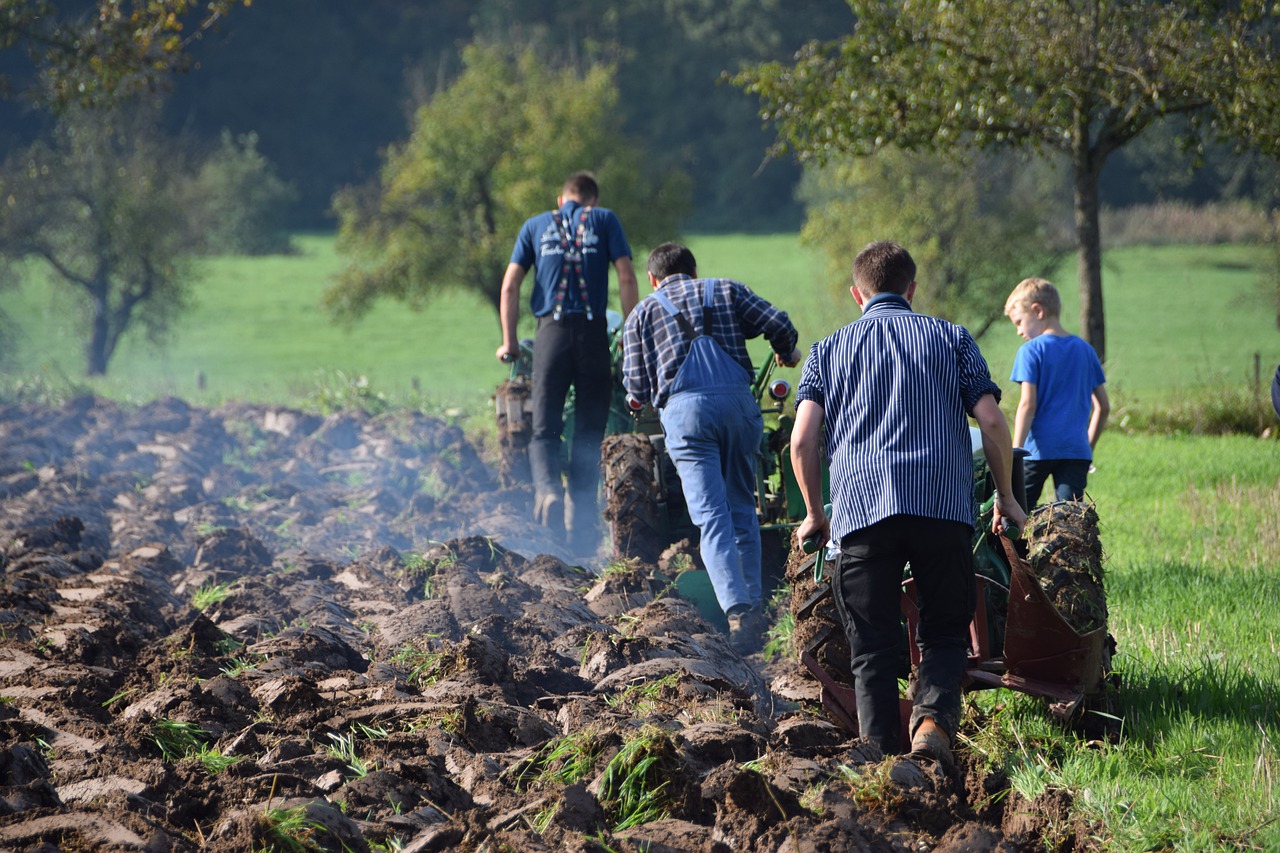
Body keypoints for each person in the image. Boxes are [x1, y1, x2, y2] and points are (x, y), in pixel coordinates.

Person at [790, 240, 1026, 764]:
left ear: (858, 294)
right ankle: (931, 727)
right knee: (944, 631)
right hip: (941, 509)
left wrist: (813, 513)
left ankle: (875, 755)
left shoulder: (828, 350)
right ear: (912, 288)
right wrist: (1006, 496)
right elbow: (991, 420)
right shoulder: (952, 338)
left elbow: (803, 440)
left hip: (862, 512)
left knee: (870, 647)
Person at [621, 242, 801, 653]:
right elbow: (778, 321)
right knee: (742, 505)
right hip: (738, 408)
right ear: (694, 272)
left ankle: (737, 612)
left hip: (687, 418)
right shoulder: (725, 289)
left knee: (711, 516)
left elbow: (634, 389)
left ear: (652, 279)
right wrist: (784, 348)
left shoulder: (643, 313)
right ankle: (754, 602)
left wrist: (645, 395)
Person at [495, 172, 639, 554]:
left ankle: (547, 493)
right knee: (589, 432)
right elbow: (625, 276)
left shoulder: (534, 225)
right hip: (593, 336)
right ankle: (580, 510)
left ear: (562, 200)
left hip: (550, 336)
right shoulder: (605, 220)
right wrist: (632, 334)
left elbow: (510, 285)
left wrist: (509, 341)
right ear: (591, 200)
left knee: (544, 426)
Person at [1003, 278, 1110, 507]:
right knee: (1070, 521)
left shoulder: (1030, 351)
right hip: (1076, 452)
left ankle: (1022, 545)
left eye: (1019, 322)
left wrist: (1015, 453)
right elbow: (1103, 407)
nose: (1019, 332)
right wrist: (1086, 448)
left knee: (1018, 514)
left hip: (1036, 452)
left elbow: (1027, 405)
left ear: (1038, 311)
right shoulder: (1085, 350)